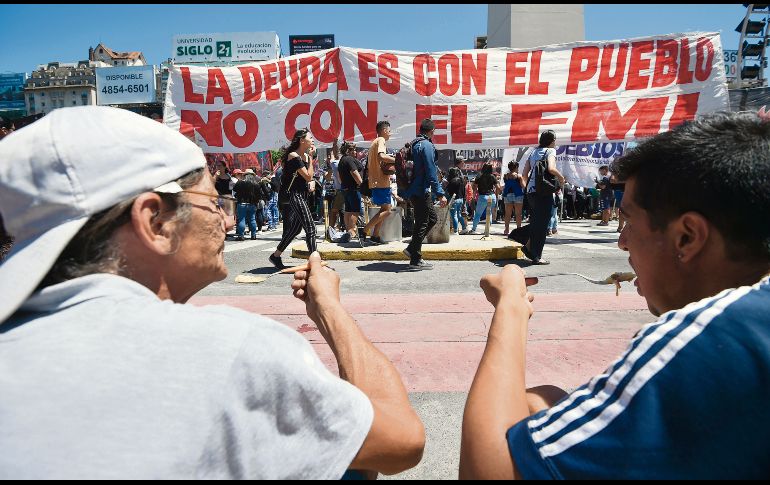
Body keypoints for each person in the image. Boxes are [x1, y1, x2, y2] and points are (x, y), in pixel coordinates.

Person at [0, 106, 425, 479]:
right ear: (155, 222)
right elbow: (402, 440)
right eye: (211, 203)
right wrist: (330, 308)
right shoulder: (235, 347)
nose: (225, 223)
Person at [459, 111, 770, 479]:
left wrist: (510, 306)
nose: (622, 242)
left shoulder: (700, 341)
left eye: (630, 223)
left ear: (687, 237)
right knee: (546, 401)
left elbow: (487, 471)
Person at [402, 119, 447, 270]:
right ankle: (415, 258)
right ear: (432, 131)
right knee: (423, 222)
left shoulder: (415, 143)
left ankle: (412, 248)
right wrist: (440, 193)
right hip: (421, 190)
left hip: (413, 190)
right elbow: (430, 171)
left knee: (430, 219)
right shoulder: (426, 145)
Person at [270, 129, 318, 270]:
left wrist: (310, 159)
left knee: (295, 230)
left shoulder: (305, 156)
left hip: (303, 195)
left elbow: (309, 177)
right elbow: (308, 176)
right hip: (294, 195)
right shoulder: (294, 155)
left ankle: (275, 256)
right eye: (310, 137)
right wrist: (310, 160)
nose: (313, 140)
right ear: (302, 140)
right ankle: (315, 261)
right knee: (310, 228)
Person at [520, 130, 565, 265]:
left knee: (536, 222)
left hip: (531, 192)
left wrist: (527, 188)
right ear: (551, 141)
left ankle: (528, 247)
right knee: (542, 225)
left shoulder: (533, 152)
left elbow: (524, 174)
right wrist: (561, 178)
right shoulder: (550, 151)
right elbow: (551, 168)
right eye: (555, 140)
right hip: (543, 192)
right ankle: (537, 256)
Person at [361, 121, 396, 245]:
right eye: (389, 130)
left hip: (378, 181)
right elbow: (382, 156)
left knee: (383, 209)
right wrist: (396, 161)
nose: (390, 133)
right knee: (387, 210)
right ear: (384, 130)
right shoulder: (380, 140)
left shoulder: (375, 142)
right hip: (380, 181)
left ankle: (375, 235)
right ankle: (365, 230)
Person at [337, 141, 364, 243]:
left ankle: (348, 232)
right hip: (353, 188)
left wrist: (344, 184)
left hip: (345, 188)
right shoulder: (349, 159)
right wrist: (362, 185)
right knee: (355, 210)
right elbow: (354, 172)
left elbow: (339, 177)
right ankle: (351, 231)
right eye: (353, 150)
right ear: (349, 150)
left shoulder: (342, 160)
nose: (355, 152)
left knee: (348, 210)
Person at [469, 163, 502, 234]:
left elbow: (474, 187)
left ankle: (473, 229)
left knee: (478, 214)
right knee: (489, 213)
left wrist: (474, 196)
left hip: (483, 196)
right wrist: (496, 194)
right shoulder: (492, 176)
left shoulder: (479, 176)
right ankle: (487, 230)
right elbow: (498, 188)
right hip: (492, 196)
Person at [502, 161, 526, 234]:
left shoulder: (505, 176)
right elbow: (523, 186)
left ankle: (506, 229)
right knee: (518, 214)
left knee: (508, 213)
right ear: (516, 167)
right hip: (518, 195)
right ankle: (518, 229)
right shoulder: (519, 176)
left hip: (507, 194)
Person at [445, 167, 468, 235]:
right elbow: (464, 192)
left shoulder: (452, 181)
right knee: (459, 214)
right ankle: (464, 228)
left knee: (454, 215)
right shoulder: (461, 181)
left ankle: (455, 231)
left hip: (454, 200)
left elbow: (448, 192)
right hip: (460, 199)